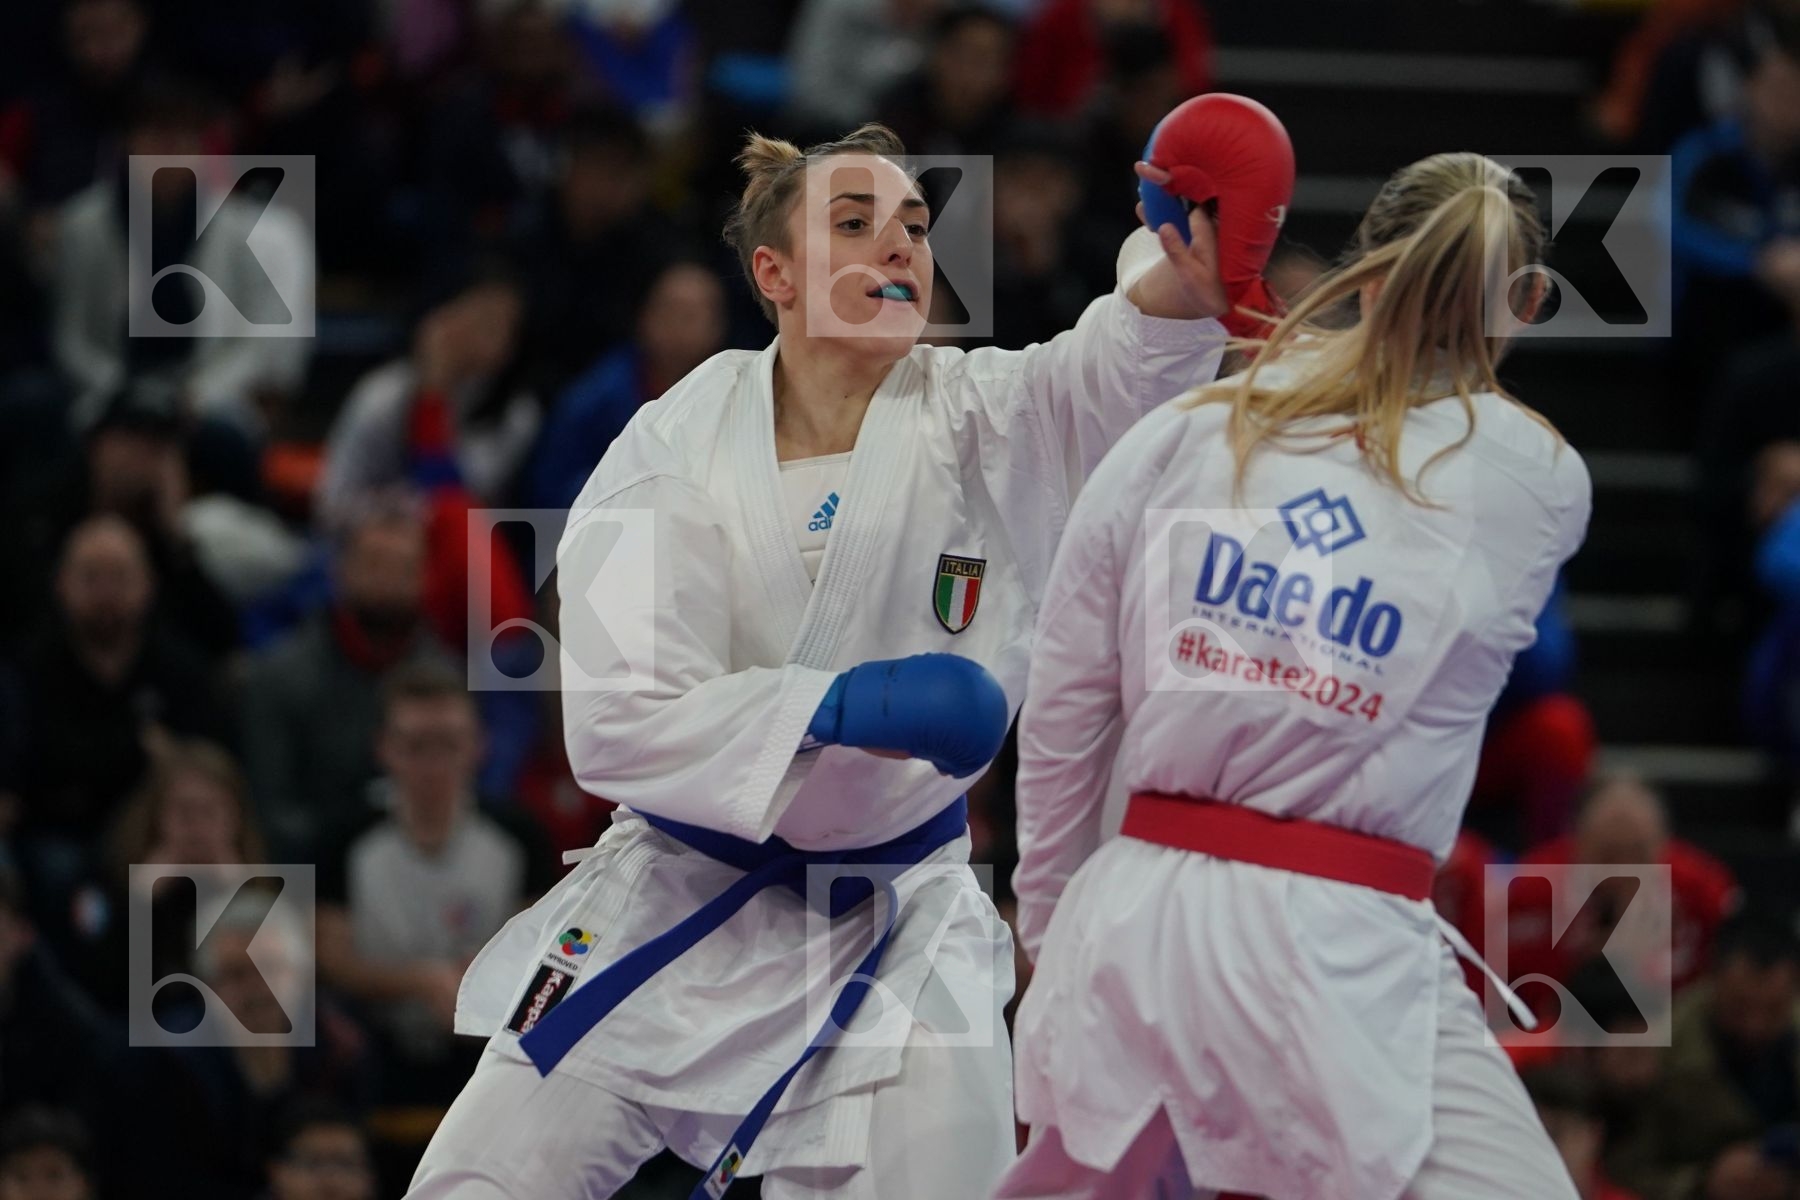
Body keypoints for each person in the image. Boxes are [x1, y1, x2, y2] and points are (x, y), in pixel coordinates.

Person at [409, 109, 1260, 1199]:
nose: (899, 244)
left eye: (911, 223)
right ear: (776, 272)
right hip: (671, 894)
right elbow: (616, 720)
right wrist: (841, 707)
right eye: (854, 222)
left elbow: (1106, 369)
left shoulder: (982, 418)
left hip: (902, 916)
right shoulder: (672, 441)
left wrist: (1180, 279)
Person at [1000, 151, 1592, 1199]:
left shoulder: (1183, 429)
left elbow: (1066, 702)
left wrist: (1048, 922)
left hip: (1137, 913)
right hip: (1338, 931)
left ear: (1365, 272)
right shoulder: (1540, 479)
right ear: (1532, 301)